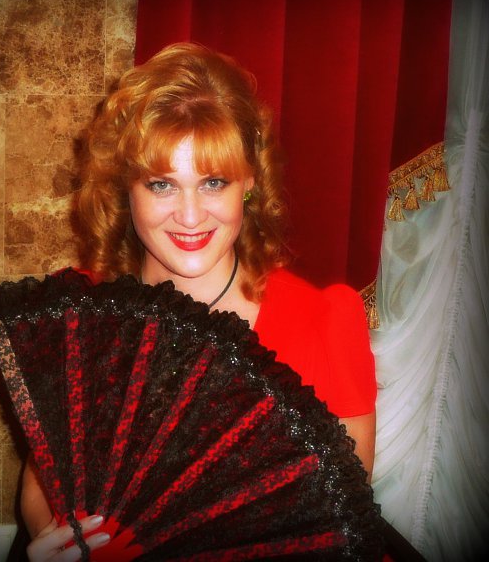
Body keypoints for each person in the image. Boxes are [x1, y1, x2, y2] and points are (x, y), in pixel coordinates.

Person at [21, 42, 377, 561]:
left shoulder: (325, 324)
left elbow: (340, 526)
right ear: (126, 189)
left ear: (249, 183)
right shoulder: (78, 316)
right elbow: (41, 483)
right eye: (162, 184)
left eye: (213, 182)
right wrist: (54, 543)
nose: (190, 217)